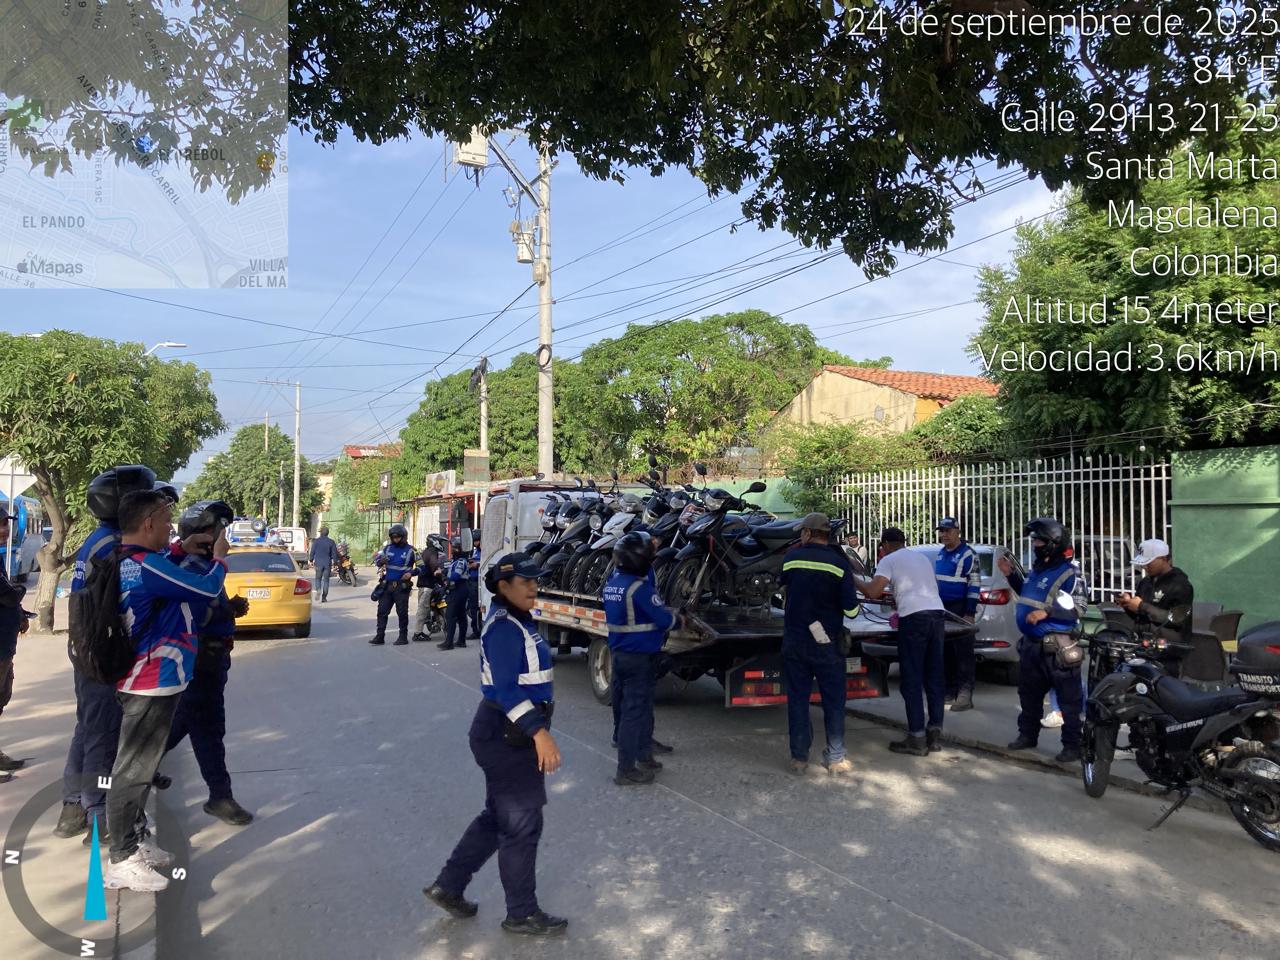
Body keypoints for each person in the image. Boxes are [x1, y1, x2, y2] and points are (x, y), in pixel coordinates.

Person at [423, 553, 568, 937]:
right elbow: (505, 688)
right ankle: (521, 913)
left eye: (535, 581)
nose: (534, 588)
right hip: (508, 734)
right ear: (503, 587)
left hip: (505, 731)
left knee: (498, 817)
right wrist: (540, 732)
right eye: (525, 583)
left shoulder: (519, 619)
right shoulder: (505, 627)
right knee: (522, 825)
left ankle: (449, 885)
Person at [104, 488, 230, 892]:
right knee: (133, 771)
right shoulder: (145, 565)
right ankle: (121, 858)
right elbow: (206, 589)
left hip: (149, 678)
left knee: (139, 769)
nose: (170, 527)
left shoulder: (135, 562)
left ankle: (135, 843)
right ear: (149, 523)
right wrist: (221, 559)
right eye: (166, 520)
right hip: (149, 680)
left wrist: (184, 548)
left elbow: (170, 573)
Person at [55, 464, 158, 842]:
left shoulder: (97, 540)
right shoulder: (116, 547)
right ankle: (99, 815)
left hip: (85, 648)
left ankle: (72, 806)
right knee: (102, 734)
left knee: (87, 727)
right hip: (102, 651)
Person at [158, 500, 254, 827]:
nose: (224, 537)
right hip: (198, 662)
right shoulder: (190, 567)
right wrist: (226, 610)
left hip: (212, 661)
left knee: (192, 723)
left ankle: (143, 767)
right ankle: (219, 796)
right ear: (203, 534)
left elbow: (211, 604)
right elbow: (194, 616)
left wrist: (230, 607)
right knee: (205, 727)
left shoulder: (204, 565)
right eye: (219, 531)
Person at [998, 517, 1084, 764]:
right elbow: (1028, 596)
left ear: (1052, 543)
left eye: (1039, 540)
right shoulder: (1038, 569)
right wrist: (1011, 576)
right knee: (1029, 694)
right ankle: (1027, 735)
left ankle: (1072, 746)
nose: (1034, 544)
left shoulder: (1070, 572)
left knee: (1069, 701)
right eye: (1033, 540)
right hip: (1032, 645)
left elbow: (1079, 607)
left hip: (1057, 645)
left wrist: (1048, 612)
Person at [855, 527, 946, 757]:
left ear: (884, 544)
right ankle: (934, 734)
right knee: (934, 675)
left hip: (914, 621)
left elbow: (873, 592)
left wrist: (852, 578)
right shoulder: (921, 558)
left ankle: (916, 738)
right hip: (937, 616)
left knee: (912, 679)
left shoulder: (889, 559)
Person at [779, 513, 859, 775]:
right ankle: (835, 758)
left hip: (796, 639)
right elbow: (852, 612)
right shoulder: (839, 563)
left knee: (798, 699)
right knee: (833, 701)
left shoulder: (791, 559)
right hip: (827, 641)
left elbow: (782, 588)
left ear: (807, 533)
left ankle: (799, 758)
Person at [603, 531, 678, 786]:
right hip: (640, 658)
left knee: (637, 708)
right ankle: (626, 770)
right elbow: (665, 620)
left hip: (620, 654)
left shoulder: (613, 584)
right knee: (635, 712)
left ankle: (645, 756)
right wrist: (680, 619)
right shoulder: (640, 589)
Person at [933, 518, 981, 712]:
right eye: (941, 531)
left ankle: (964, 694)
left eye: (947, 530)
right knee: (945, 651)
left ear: (957, 531)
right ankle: (948, 690)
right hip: (942, 608)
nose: (944, 534)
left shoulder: (968, 554)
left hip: (961, 608)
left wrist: (969, 612)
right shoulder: (941, 554)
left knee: (963, 653)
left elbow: (975, 585)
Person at [0, 504, 31, 774]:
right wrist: (18, 591)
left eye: (6, 524)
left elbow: (11, 597)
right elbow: (9, 594)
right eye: (0, 525)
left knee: (2, 696)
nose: (5, 530)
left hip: (4, 645)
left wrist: (20, 613)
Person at [1116, 538, 1194, 646]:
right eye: (1143, 563)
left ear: (1163, 559)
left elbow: (1176, 620)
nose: (1144, 567)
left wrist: (1142, 606)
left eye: (1149, 562)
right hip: (1143, 641)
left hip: (1169, 646)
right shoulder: (1145, 583)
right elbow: (1141, 616)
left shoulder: (1181, 585)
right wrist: (1129, 605)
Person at [369, 523, 418, 646]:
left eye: (398, 537)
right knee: (382, 611)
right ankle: (380, 636)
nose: (395, 539)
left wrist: (411, 573)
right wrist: (381, 561)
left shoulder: (411, 551)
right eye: (393, 537)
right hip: (387, 586)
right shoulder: (387, 548)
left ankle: (403, 637)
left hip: (401, 587)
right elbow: (378, 562)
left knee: (402, 612)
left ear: (403, 537)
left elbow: (422, 567)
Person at [439, 538, 470, 651]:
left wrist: (447, 577)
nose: (453, 550)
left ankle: (449, 642)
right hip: (460, 589)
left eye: (455, 548)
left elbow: (456, 576)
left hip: (459, 588)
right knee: (461, 615)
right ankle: (461, 641)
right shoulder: (455, 561)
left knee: (451, 615)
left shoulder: (461, 561)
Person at [411, 540, 444, 643]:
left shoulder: (426, 551)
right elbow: (434, 566)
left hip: (424, 584)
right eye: (441, 542)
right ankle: (417, 633)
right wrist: (439, 573)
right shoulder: (432, 552)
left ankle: (433, 624)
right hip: (427, 585)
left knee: (425, 608)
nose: (442, 544)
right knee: (423, 609)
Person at [309, 526, 340, 603]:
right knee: (326, 580)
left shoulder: (316, 541)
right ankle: (324, 598)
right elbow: (334, 554)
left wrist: (311, 559)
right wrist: (335, 562)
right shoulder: (331, 542)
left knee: (318, 579)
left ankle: (318, 589)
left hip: (318, 563)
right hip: (327, 564)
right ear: (327, 533)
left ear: (321, 533)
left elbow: (312, 552)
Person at [466, 531, 483, 639]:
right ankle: (475, 630)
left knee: (477, 607)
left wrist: (477, 565)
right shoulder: (475, 551)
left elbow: (486, 562)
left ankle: (478, 630)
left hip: (479, 582)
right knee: (472, 607)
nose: (475, 543)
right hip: (472, 581)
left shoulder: (484, 551)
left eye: (476, 541)